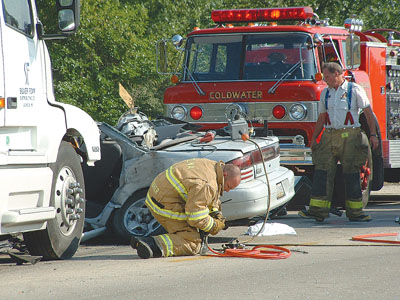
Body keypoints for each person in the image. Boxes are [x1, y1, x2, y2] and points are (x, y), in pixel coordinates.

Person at [299, 62, 379, 222]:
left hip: (350, 136)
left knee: (351, 173)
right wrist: (314, 138)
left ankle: (356, 213)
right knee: (322, 172)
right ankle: (318, 211)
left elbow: (368, 113)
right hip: (329, 136)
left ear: (337, 74)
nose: (325, 79)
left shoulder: (355, 90)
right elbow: (322, 117)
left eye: (327, 76)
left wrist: (373, 134)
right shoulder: (325, 93)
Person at [131, 158, 241, 259]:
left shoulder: (212, 167)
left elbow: (208, 199)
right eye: (229, 186)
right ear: (225, 175)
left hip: (158, 192)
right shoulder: (208, 184)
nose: (227, 190)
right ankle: (151, 244)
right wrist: (214, 225)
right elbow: (195, 217)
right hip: (163, 203)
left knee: (197, 225)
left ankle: (150, 243)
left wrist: (215, 213)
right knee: (193, 242)